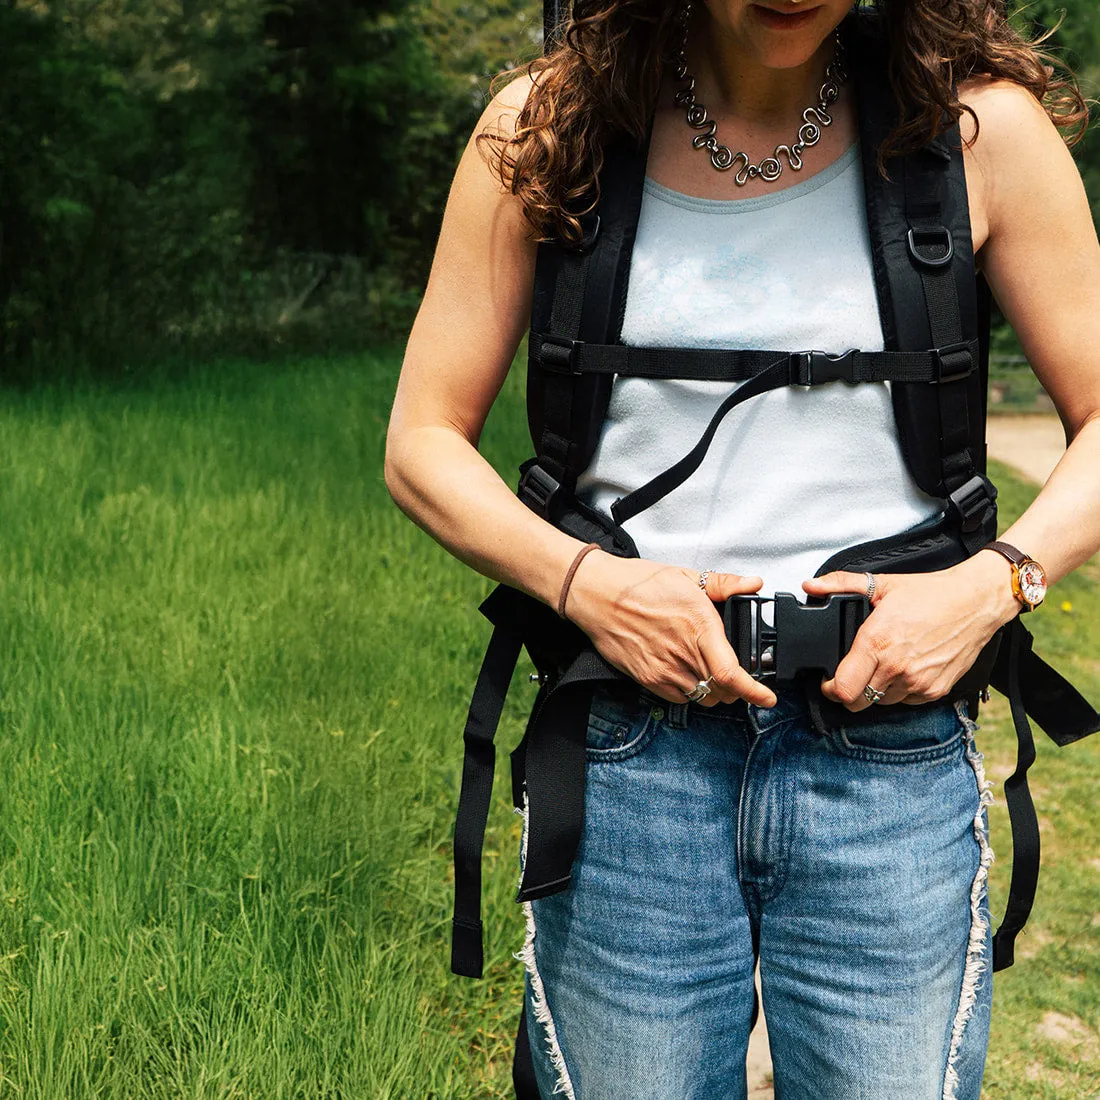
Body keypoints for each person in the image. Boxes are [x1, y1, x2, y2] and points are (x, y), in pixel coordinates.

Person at [385, 0, 1100, 1095]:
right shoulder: (547, 128)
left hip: (889, 763)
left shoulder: (974, 133)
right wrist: (588, 585)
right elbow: (421, 440)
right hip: (628, 753)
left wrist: (989, 585)